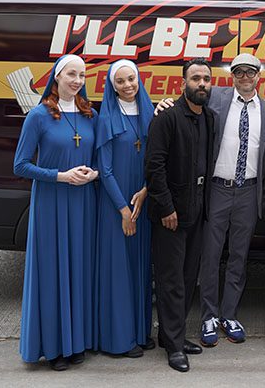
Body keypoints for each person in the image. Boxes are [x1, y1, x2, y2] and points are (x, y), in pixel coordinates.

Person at [154, 54, 265, 347]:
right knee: (210, 255)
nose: (245, 77)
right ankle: (208, 315)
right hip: (217, 190)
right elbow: (185, 99)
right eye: (239, 72)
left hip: (249, 190)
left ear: (259, 76)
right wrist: (163, 102)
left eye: (250, 72)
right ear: (231, 76)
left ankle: (229, 314)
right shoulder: (215, 98)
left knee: (239, 257)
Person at [14, 54, 98, 371]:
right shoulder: (38, 116)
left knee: (78, 271)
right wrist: (60, 176)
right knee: (52, 274)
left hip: (82, 204)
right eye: (71, 74)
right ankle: (53, 347)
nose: (77, 80)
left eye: (82, 75)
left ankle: (76, 343)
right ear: (57, 77)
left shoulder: (90, 114)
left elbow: (101, 157)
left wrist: (95, 174)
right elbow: (20, 165)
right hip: (51, 203)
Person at [145, 58, 216, 373]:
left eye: (206, 79)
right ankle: (174, 347)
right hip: (170, 214)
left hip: (197, 211)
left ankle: (171, 335)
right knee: (171, 280)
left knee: (188, 279)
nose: (202, 84)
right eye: (196, 78)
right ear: (183, 83)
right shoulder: (167, 118)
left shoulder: (209, 118)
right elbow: (154, 167)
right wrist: (166, 208)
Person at [94, 60, 153, 358]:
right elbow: (104, 171)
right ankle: (119, 339)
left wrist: (144, 191)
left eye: (132, 79)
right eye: (121, 81)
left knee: (139, 267)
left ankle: (141, 332)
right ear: (111, 85)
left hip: (141, 201)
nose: (128, 85)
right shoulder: (105, 118)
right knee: (118, 271)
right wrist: (123, 209)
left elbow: (155, 159)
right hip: (116, 207)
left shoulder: (149, 111)